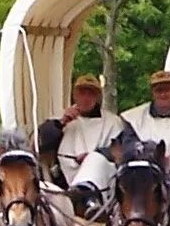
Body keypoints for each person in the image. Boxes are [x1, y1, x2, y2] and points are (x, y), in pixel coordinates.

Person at [35, 74, 125, 207]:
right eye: (82, 93)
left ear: (98, 97)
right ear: (75, 95)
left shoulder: (113, 122)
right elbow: (41, 144)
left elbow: (120, 149)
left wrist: (94, 156)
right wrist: (61, 123)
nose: (86, 98)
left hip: (102, 179)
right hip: (64, 176)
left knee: (95, 160)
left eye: (91, 94)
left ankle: (89, 198)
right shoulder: (61, 117)